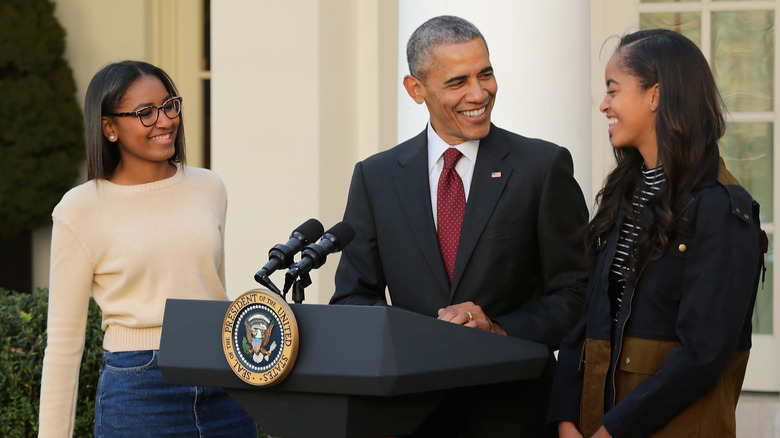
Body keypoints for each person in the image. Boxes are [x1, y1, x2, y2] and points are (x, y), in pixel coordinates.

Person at [329, 15, 589, 436]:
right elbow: (352, 300)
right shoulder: (374, 178)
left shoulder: (541, 168)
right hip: (410, 418)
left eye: (485, 73)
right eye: (457, 82)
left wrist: (500, 329)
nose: (479, 92)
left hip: (514, 416)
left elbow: (577, 293)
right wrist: (418, 337)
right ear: (417, 90)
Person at [548, 29, 765, 438]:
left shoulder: (721, 208)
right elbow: (588, 318)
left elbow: (704, 353)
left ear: (655, 96)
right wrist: (565, 420)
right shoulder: (624, 194)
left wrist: (613, 430)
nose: (603, 105)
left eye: (613, 91)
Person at [38, 61, 258, 437]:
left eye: (169, 105)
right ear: (108, 127)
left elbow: (211, 290)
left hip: (224, 377)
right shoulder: (79, 209)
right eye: (145, 113)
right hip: (139, 390)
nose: (165, 120)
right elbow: (63, 344)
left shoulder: (209, 187)